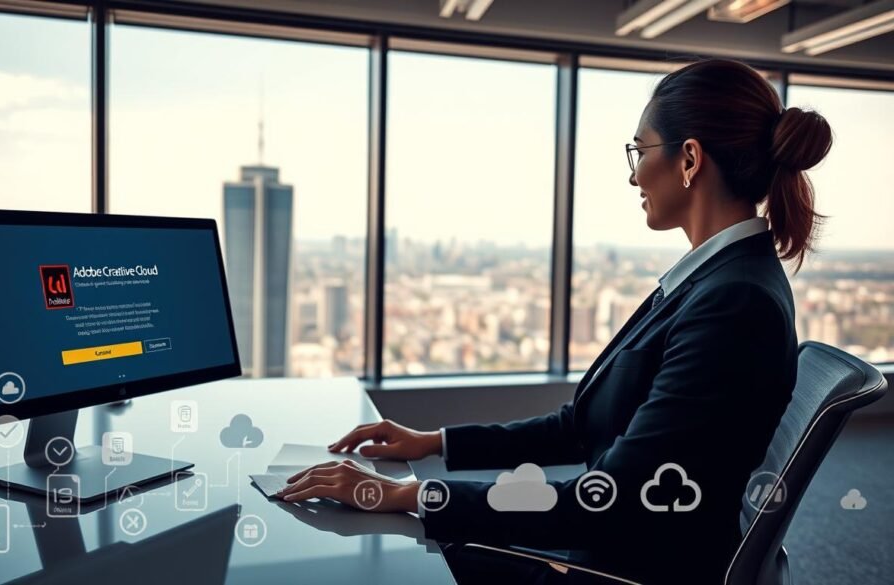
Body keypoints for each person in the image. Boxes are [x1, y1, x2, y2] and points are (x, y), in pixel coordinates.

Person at [278, 58, 834, 585]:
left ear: (689, 160)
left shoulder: (734, 302)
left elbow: (606, 500)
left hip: (622, 568)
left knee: (382, 553)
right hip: (616, 546)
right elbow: (581, 426)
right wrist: (430, 443)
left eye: (639, 151)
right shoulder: (717, 279)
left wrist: (400, 495)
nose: (635, 174)